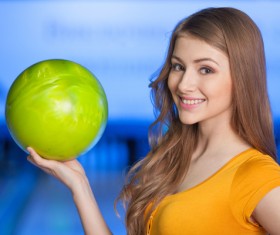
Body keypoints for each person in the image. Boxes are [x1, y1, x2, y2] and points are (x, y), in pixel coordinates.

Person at [27, 7, 280, 235]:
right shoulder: (174, 159)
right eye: (178, 67)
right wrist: (79, 186)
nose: (183, 84)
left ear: (242, 77)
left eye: (206, 69)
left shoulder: (256, 176)